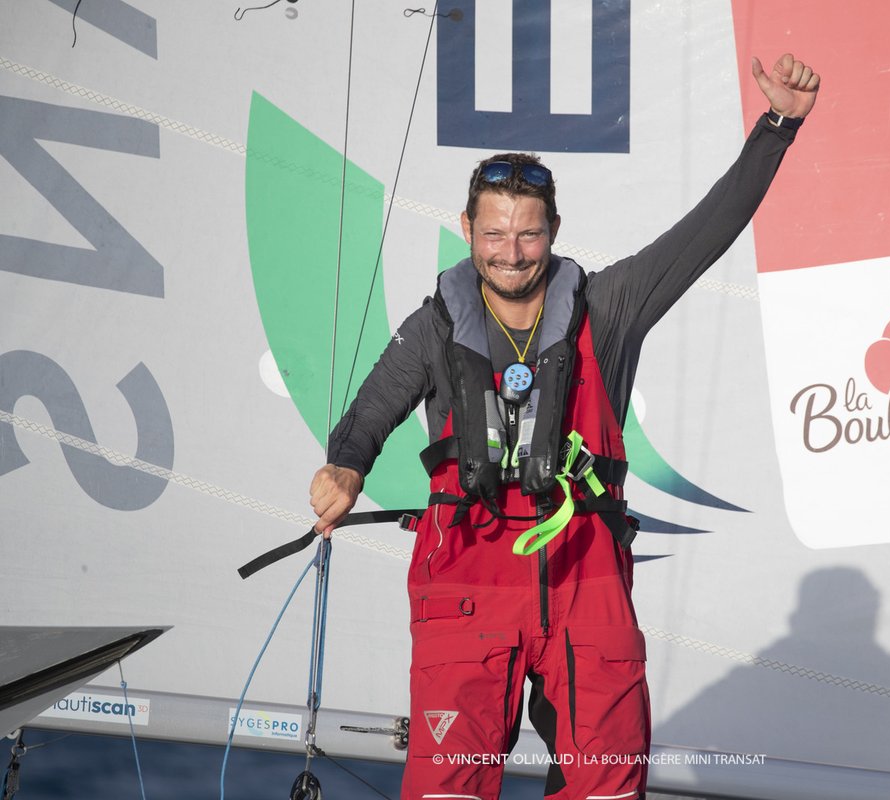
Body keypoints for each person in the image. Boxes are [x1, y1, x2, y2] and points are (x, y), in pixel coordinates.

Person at [308, 53, 820, 800]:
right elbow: (366, 418)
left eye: (527, 235)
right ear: (466, 229)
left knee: (605, 788)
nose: (510, 253)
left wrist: (779, 127)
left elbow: (707, 230)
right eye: (493, 235)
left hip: (586, 576)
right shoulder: (432, 327)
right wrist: (344, 468)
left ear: (553, 230)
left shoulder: (609, 309)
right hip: (467, 580)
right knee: (448, 788)